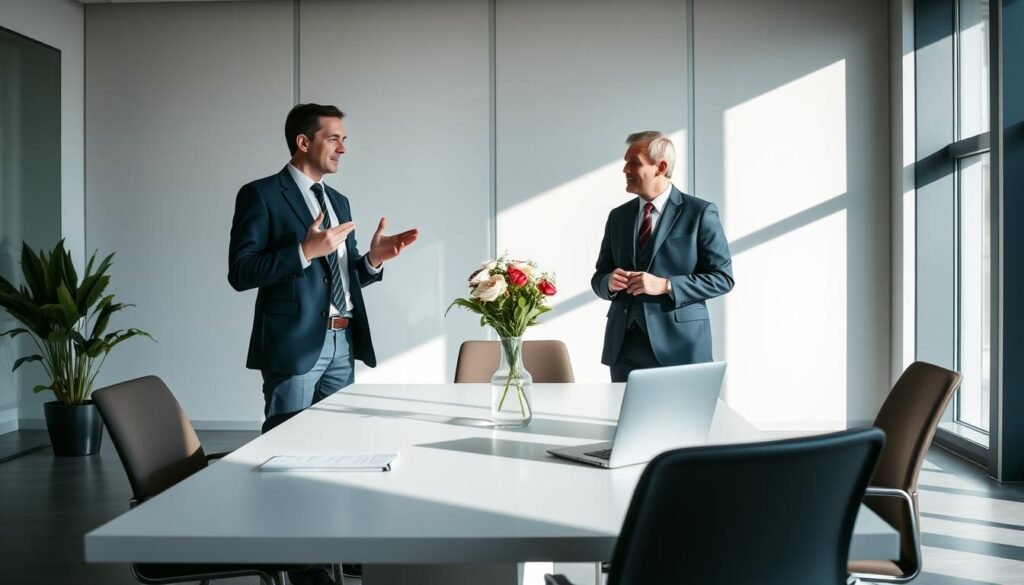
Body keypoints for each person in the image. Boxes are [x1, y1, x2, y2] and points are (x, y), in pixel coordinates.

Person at [229, 103, 418, 585]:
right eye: (335, 138)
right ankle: (295, 561)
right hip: (294, 346)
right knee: (286, 458)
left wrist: (373, 260)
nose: (343, 147)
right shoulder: (261, 195)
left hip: (342, 342)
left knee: (338, 455)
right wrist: (302, 252)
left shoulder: (340, 201)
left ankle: (334, 546)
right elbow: (242, 271)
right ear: (303, 142)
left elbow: (345, 273)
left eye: (344, 138)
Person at [591, 131, 734, 383]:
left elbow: (722, 278)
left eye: (633, 162)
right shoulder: (618, 217)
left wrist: (666, 285)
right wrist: (609, 282)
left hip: (681, 346)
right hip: (624, 345)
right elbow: (599, 276)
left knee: (682, 421)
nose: (625, 169)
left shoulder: (699, 213)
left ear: (661, 167)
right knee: (627, 421)